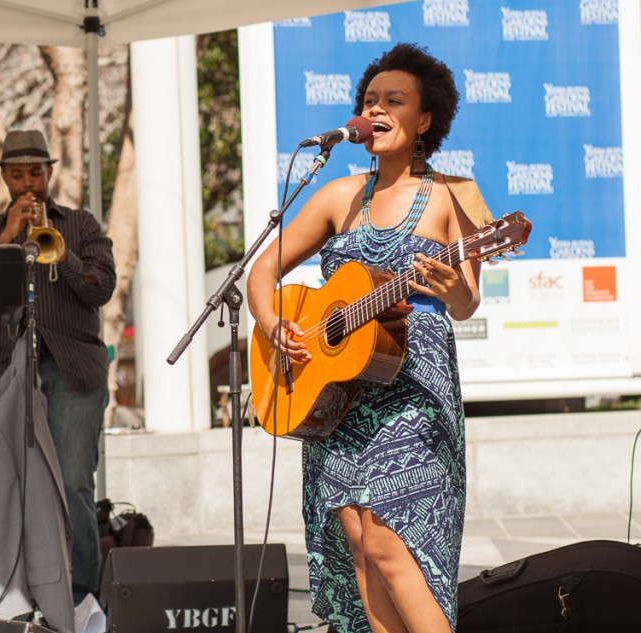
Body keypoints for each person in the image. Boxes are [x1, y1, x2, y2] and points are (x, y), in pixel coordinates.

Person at [247, 44, 491, 633]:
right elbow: (260, 272)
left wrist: (449, 284)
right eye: (369, 100)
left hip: (411, 385)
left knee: (389, 542)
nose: (375, 109)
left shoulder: (450, 197)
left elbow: (465, 302)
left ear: (425, 120)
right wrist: (275, 324)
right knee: (358, 544)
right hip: (337, 393)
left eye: (393, 101)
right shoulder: (338, 195)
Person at [0, 129, 116, 605]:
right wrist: (9, 240)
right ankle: (21, 595)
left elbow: (100, 289)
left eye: (35, 171)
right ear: (4, 177)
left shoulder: (83, 225)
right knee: (18, 488)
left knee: (72, 484)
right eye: (17, 173)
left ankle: (81, 598)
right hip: (7, 373)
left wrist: (62, 252)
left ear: (50, 172)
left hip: (73, 372)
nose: (27, 182)